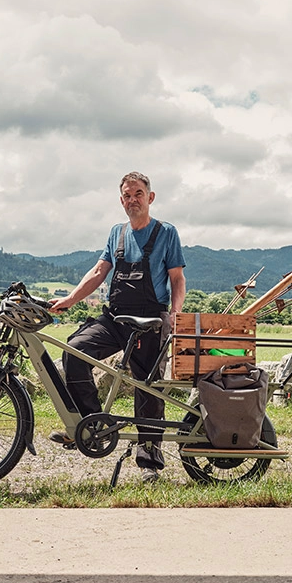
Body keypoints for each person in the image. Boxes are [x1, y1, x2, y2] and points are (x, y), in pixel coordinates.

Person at [49, 171, 186, 483]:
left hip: (151, 319)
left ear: (150, 198)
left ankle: (149, 462)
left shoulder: (167, 233)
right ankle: (93, 426)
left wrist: (175, 313)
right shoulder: (117, 233)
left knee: (147, 386)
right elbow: (99, 271)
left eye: (138, 193)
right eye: (126, 195)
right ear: (121, 200)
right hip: (115, 317)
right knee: (75, 350)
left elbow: (177, 278)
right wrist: (70, 299)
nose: (132, 200)